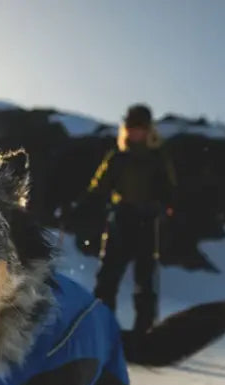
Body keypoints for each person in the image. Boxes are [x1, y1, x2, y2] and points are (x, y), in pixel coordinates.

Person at [83, 104, 177, 333]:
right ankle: (103, 329)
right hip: (121, 219)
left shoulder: (157, 158)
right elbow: (99, 187)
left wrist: (166, 205)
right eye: (131, 127)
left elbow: (169, 189)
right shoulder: (118, 158)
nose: (136, 132)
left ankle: (144, 331)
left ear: (148, 131)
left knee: (145, 280)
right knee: (107, 277)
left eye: (140, 128)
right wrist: (84, 205)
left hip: (147, 221)